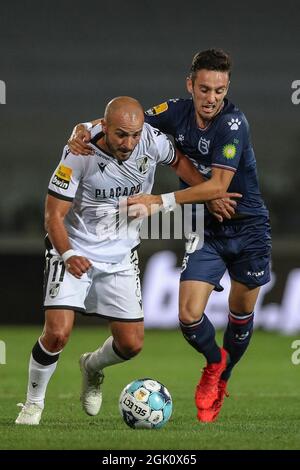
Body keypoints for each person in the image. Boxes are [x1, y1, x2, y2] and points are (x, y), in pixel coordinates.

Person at [67, 49, 272, 423]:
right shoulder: (174, 111)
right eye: (205, 89)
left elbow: (219, 186)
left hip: (248, 226)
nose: (212, 98)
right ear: (190, 84)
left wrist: (156, 201)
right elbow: (123, 121)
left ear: (227, 89)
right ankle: (214, 365)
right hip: (206, 227)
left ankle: (222, 378)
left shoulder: (233, 124)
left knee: (240, 313)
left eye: (220, 91)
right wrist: (82, 129)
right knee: (188, 316)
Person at [15, 96, 238, 425]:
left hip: (120, 255)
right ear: (104, 128)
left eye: (135, 135)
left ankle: (91, 367)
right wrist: (69, 253)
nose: (130, 143)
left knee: (131, 344)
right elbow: (53, 217)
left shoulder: (150, 140)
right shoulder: (80, 152)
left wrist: (211, 191)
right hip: (73, 248)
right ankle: (33, 404)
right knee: (58, 334)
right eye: (121, 135)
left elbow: (178, 162)